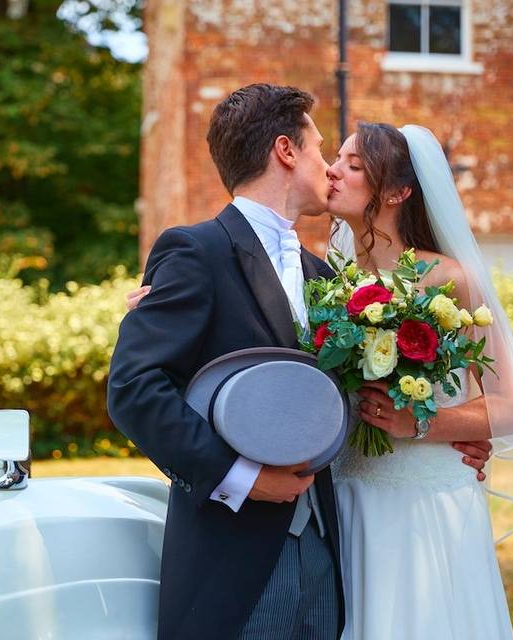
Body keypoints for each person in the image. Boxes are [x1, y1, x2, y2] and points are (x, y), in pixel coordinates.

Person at [108, 84, 491, 640]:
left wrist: (451, 430)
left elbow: (350, 391)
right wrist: (241, 478)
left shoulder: (327, 279)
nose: (329, 168)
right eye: (319, 150)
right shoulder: (196, 251)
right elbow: (135, 389)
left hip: (332, 555)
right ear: (286, 152)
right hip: (235, 563)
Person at [324, 122, 513, 639]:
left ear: (398, 191)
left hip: (425, 501)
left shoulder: (448, 279)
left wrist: (421, 423)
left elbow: (512, 408)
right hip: (349, 497)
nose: (332, 171)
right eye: (336, 159)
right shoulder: (329, 281)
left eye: (353, 165)